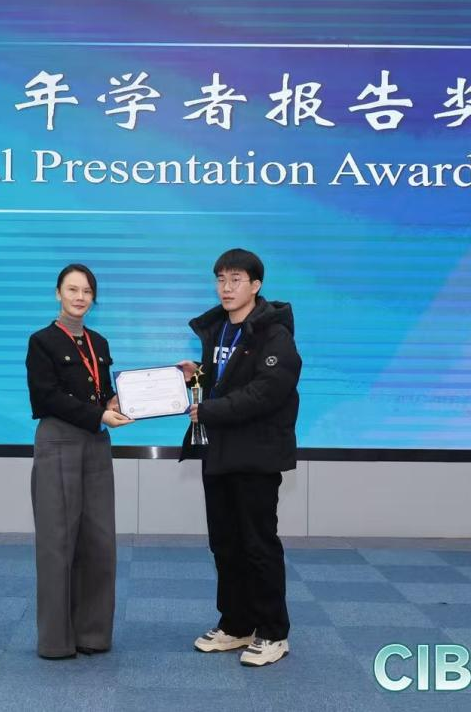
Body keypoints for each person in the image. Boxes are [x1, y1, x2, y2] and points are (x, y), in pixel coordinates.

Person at [179, 248, 301, 667]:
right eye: (220, 279)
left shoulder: (275, 335)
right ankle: (236, 624)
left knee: (258, 545)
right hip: (218, 452)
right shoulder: (218, 329)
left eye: (235, 280)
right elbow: (222, 382)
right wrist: (196, 377)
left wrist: (210, 410)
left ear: (255, 285)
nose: (226, 288)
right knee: (225, 544)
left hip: (256, 456)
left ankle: (273, 632)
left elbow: (266, 392)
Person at [25, 264, 133, 659]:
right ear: (58, 293)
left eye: (87, 291)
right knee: (57, 543)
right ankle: (55, 640)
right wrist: (98, 414)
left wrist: (116, 402)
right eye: (72, 289)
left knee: (100, 541)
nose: (80, 297)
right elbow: (45, 397)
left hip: (96, 444)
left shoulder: (98, 342)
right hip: (58, 443)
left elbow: (100, 393)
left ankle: (93, 634)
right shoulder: (41, 341)